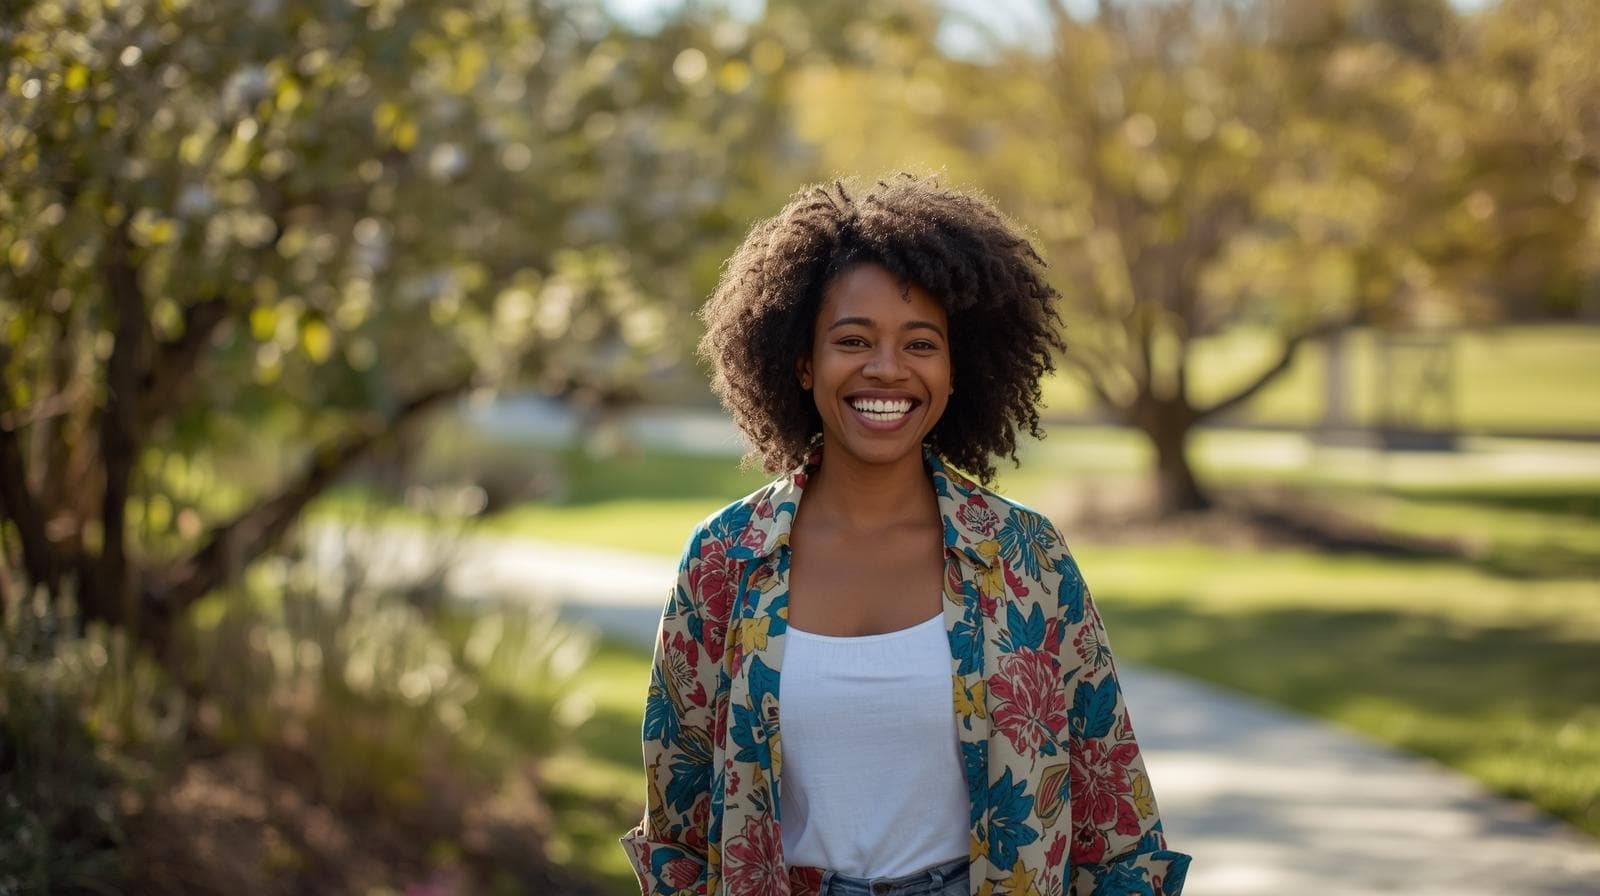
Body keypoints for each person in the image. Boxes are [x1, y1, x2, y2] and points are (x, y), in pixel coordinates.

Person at [621, 176, 1190, 896]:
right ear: (802, 362)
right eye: (852, 340)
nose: (887, 368)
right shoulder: (724, 559)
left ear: (956, 371)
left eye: (920, 342)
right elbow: (678, 828)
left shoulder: (1025, 558)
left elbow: (1114, 821)